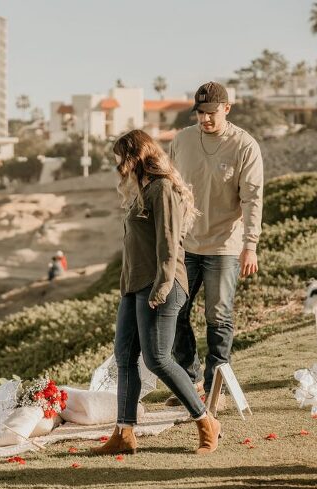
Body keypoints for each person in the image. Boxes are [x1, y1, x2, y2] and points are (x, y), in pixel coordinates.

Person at [91, 129, 222, 456]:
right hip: (134, 286)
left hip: (161, 284)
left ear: (136, 155)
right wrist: (127, 289)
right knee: (124, 356)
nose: (118, 164)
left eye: (121, 156)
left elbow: (167, 243)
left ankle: (206, 421)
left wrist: (162, 286)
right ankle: (124, 434)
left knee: (158, 358)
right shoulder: (143, 190)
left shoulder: (162, 189)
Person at [165, 81, 263, 409]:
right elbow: (172, 191)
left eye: (211, 113)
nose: (205, 119)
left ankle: (215, 389)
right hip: (187, 244)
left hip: (225, 246)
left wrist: (250, 245)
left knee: (218, 317)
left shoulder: (244, 145)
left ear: (226, 109)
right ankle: (189, 381)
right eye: (200, 113)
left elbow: (252, 199)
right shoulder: (182, 141)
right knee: (174, 310)